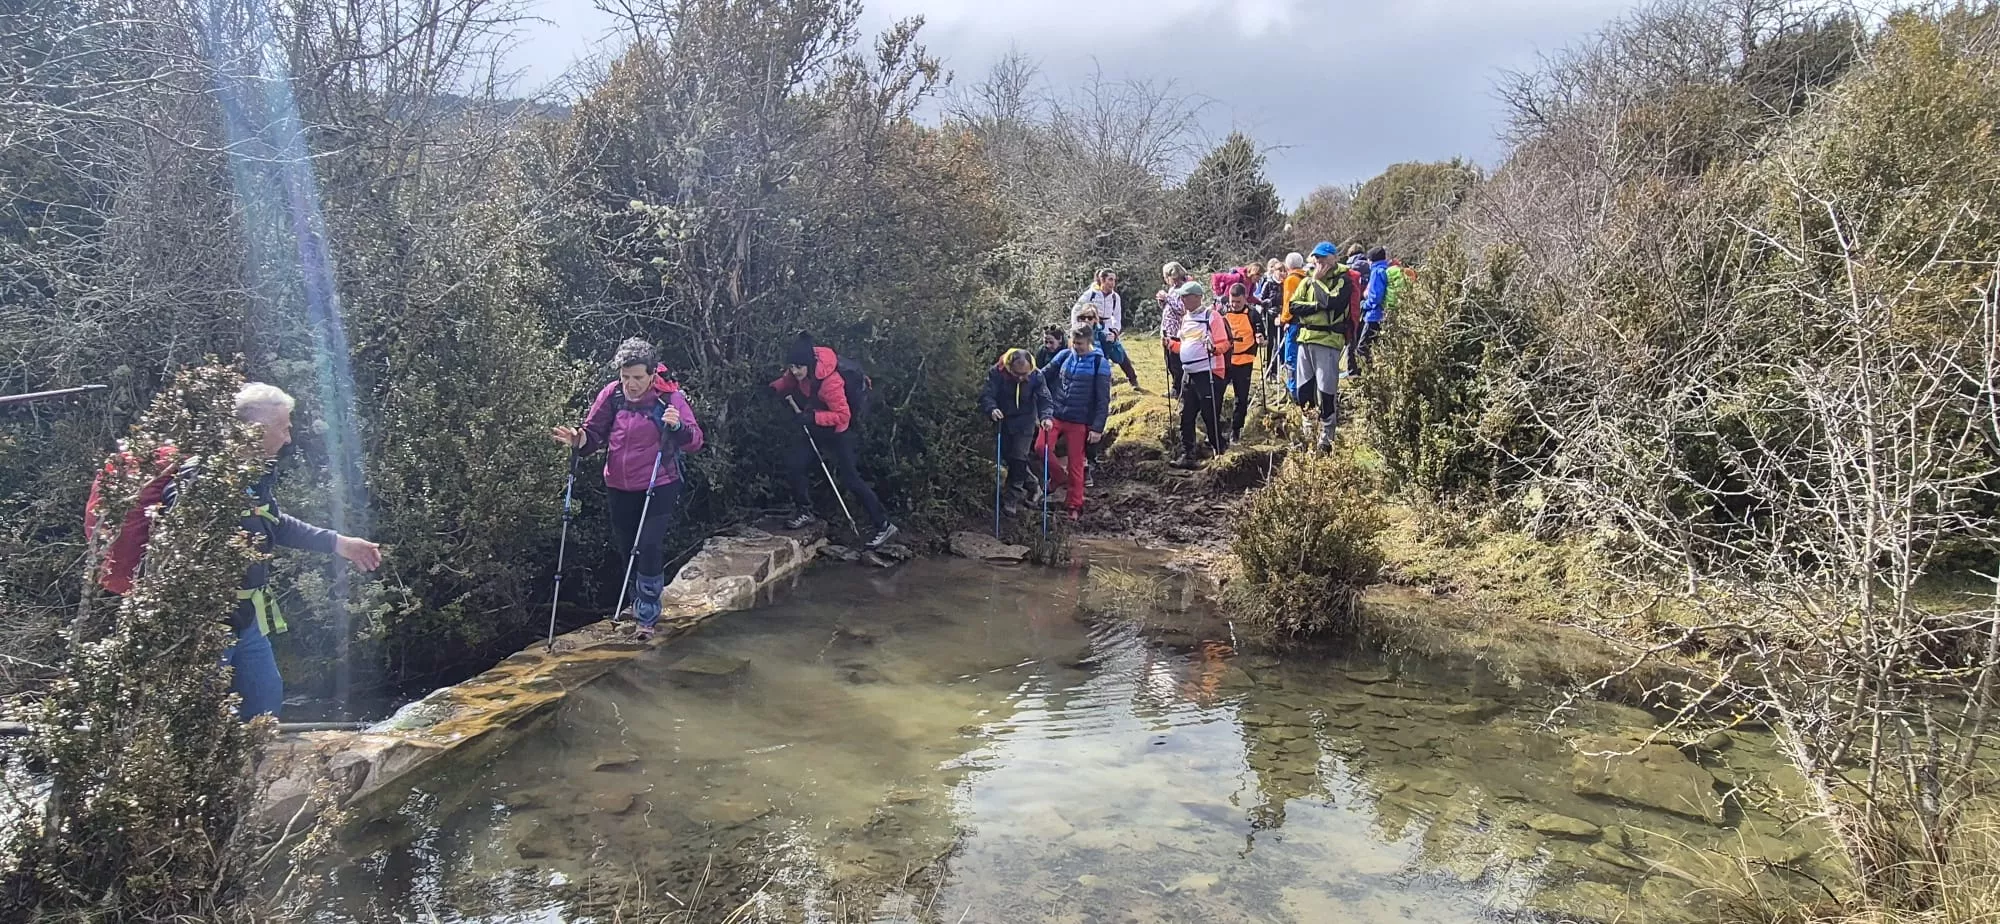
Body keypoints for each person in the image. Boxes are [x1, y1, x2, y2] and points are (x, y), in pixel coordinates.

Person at [226, 383, 382, 719]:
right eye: (283, 428)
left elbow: (275, 522)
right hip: (208, 625)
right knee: (199, 719)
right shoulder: (203, 479)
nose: (288, 439)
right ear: (256, 430)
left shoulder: (254, 476)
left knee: (264, 707)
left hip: (247, 617)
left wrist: (339, 543)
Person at [551, 338, 704, 640]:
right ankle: (637, 602)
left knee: (647, 545)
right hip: (619, 485)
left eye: (637, 377)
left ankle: (647, 616)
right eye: (625, 377)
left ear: (652, 374)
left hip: (659, 483)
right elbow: (594, 433)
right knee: (627, 547)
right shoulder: (613, 395)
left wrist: (676, 427)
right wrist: (578, 440)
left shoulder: (670, 399)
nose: (631, 384)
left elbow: (695, 440)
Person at [770, 332, 899, 549]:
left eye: (798, 367)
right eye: (791, 366)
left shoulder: (831, 381)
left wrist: (812, 418)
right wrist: (774, 388)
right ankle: (805, 511)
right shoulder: (799, 370)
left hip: (840, 431)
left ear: (808, 365)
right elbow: (787, 380)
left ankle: (884, 525)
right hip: (816, 424)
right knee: (795, 464)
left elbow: (842, 415)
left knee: (851, 479)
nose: (794, 371)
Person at [1038, 324, 1112, 520]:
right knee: (1041, 447)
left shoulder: (1100, 363)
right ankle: (1057, 477)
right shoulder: (1064, 355)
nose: (1076, 347)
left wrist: (1097, 428)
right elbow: (1042, 375)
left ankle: (1074, 505)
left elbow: (1103, 399)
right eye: (1074, 342)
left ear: (1089, 342)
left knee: (1076, 464)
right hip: (1055, 414)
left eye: (1080, 343)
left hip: (1079, 420)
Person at [1289, 242, 1358, 453]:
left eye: (1323, 257)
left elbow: (1332, 302)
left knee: (1326, 392)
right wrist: (1316, 305)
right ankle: (1308, 434)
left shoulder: (1343, 280)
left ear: (1334, 258)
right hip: (1305, 339)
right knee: (1303, 391)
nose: (1319, 262)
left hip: (1328, 340)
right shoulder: (1307, 280)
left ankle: (1326, 440)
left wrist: (1317, 283)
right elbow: (1293, 306)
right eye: (1316, 258)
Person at [979, 348, 1054, 515]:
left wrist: (1046, 417)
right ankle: (1033, 484)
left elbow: (1045, 399)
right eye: (1017, 374)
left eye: (1024, 374)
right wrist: (991, 408)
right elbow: (987, 395)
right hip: (1003, 420)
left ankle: (1012, 498)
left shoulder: (1036, 375)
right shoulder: (997, 372)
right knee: (1008, 457)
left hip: (1025, 421)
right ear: (1009, 367)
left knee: (1019, 457)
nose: (1020, 378)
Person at [1170, 281, 1229, 469]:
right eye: (1181, 297)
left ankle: (1219, 450)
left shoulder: (1212, 316)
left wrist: (1214, 348)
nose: (1182, 300)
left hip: (1209, 372)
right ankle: (1188, 455)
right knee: (1186, 415)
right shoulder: (1185, 318)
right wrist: (1171, 345)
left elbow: (1224, 343)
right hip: (1189, 374)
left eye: (1185, 297)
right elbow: (1186, 345)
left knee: (1209, 414)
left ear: (1197, 297)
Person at [1074, 269, 1141, 389]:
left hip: (1108, 328)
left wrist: (1115, 331)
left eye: (1114, 280)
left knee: (1120, 354)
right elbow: (1076, 310)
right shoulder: (1090, 294)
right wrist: (1078, 328)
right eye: (1110, 279)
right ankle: (1104, 382)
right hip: (1093, 329)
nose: (1113, 283)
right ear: (1102, 280)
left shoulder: (1115, 297)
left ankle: (1133, 379)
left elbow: (1117, 316)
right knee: (1099, 355)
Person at [1220, 282, 1259, 442]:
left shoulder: (1253, 314)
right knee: (1217, 394)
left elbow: (1261, 334)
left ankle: (1236, 431)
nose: (1235, 305)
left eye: (1238, 302)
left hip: (1244, 361)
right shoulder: (1222, 311)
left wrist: (1261, 339)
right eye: (1232, 301)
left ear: (1245, 298)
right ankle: (1215, 429)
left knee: (1241, 398)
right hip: (1225, 361)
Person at [1351, 245, 1392, 376]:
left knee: (1362, 348)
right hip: (1385, 315)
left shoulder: (1376, 271)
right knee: (1377, 347)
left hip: (1374, 315)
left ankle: (1368, 376)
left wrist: (1364, 305)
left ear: (1371, 260)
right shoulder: (1386, 269)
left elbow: (1375, 297)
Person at [1156, 262, 1192, 397]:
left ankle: (1179, 389)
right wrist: (1162, 301)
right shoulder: (1172, 289)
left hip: (1176, 332)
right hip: (1167, 330)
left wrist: (1167, 298)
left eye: (1166, 277)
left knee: (1176, 363)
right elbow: (1169, 307)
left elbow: (1182, 309)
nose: (1166, 280)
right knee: (1169, 362)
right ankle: (1175, 387)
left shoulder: (1184, 288)